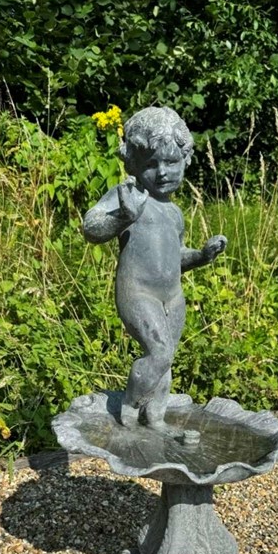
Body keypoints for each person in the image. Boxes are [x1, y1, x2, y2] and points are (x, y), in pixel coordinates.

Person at [83, 106, 227, 427]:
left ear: (185, 160)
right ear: (133, 164)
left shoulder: (175, 213)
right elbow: (91, 227)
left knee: (166, 361)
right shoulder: (129, 197)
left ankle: (156, 420)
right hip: (138, 293)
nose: (162, 172)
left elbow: (176, 258)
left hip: (173, 297)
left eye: (171, 162)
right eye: (150, 164)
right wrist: (123, 216)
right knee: (159, 353)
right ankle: (129, 411)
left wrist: (202, 255)